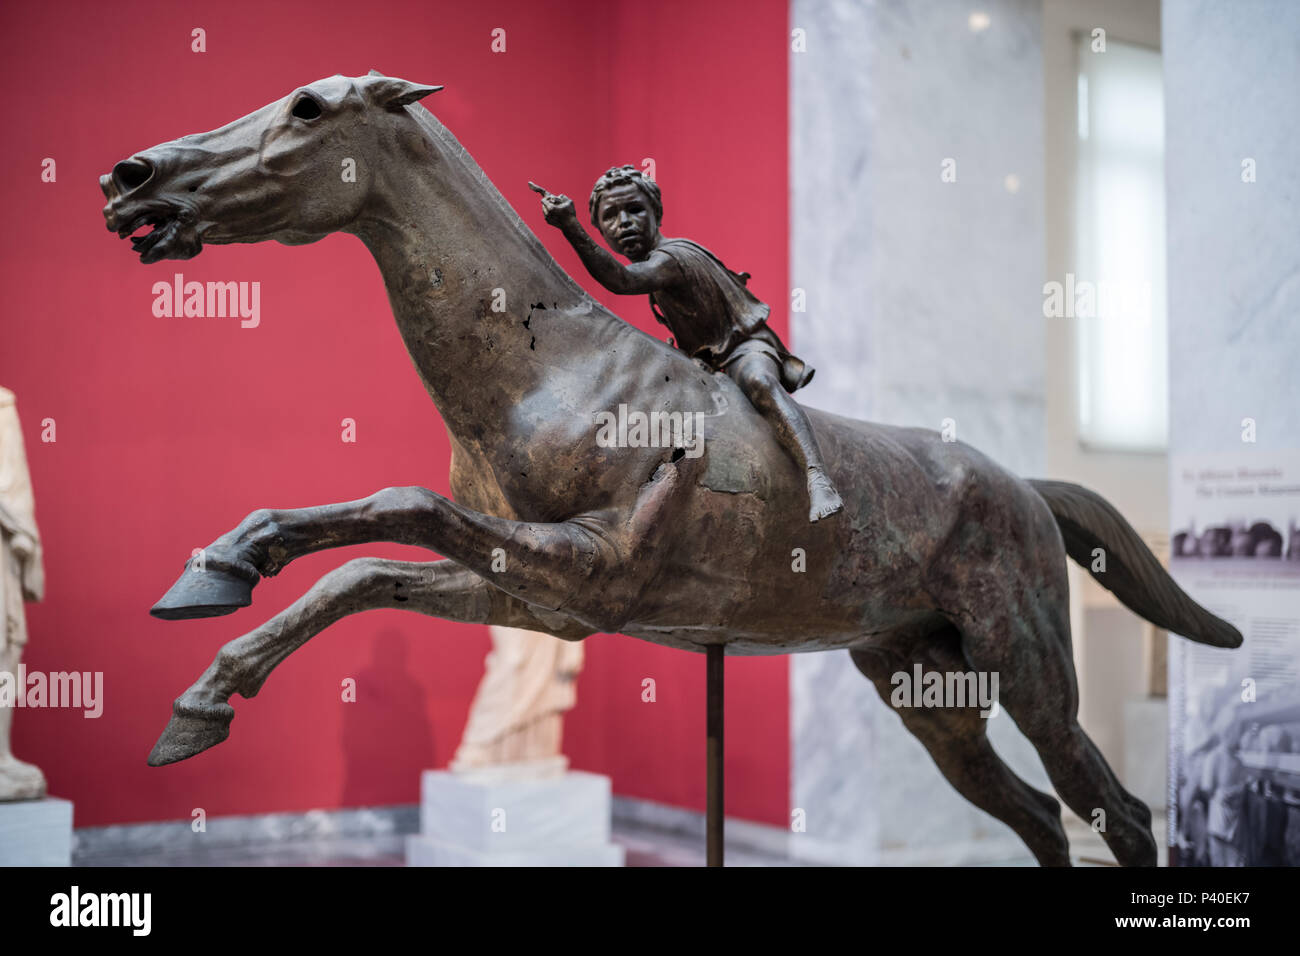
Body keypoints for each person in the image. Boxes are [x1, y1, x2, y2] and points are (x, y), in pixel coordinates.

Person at [530, 165, 844, 522]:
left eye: (635, 210)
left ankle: (818, 478)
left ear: (656, 213)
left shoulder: (670, 259)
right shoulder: (657, 264)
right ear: (601, 230)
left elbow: (620, 280)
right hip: (704, 360)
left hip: (741, 348)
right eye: (611, 216)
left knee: (759, 382)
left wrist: (571, 227)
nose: (625, 222)